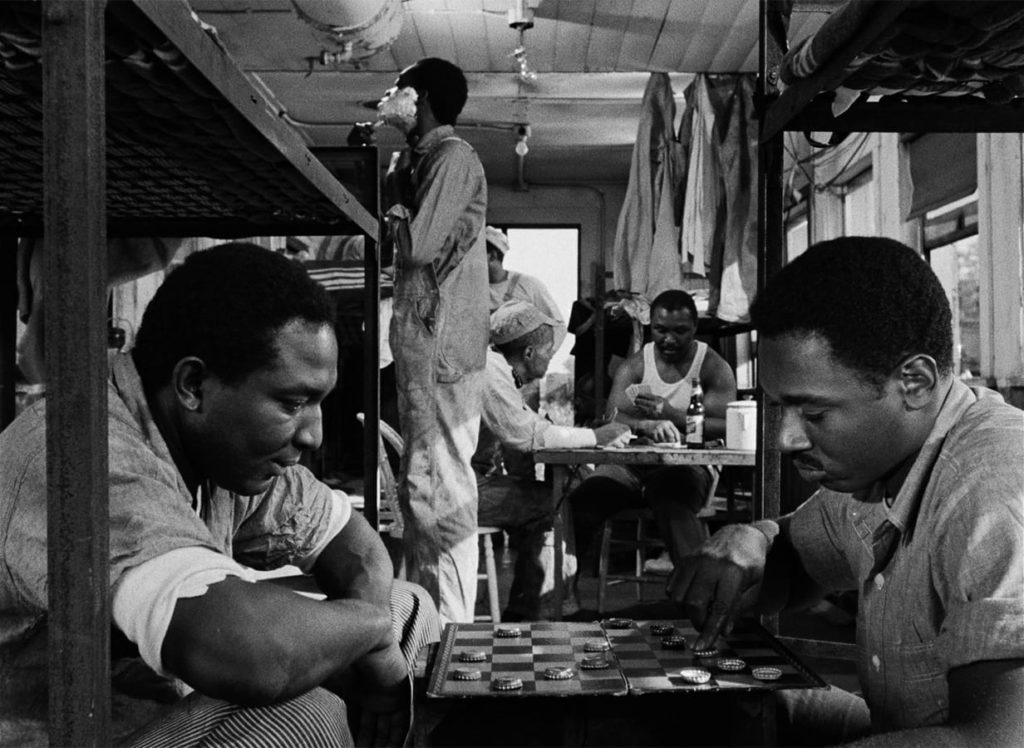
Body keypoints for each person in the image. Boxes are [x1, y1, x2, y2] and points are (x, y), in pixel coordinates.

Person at [0, 244, 439, 747]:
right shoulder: (80, 449)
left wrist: (377, 627)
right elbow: (252, 660)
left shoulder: (215, 447)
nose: (313, 434)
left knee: (406, 609)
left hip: (146, 705)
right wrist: (371, 632)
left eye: (318, 402)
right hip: (63, 735)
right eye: (292, 402)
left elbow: (354, 545)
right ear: (192, 385)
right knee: (302, 717)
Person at [669, 237, 1024, 745]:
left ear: (915, 382)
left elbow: (995, 741)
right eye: (777, 408)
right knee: (734, 708)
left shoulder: (993, 490)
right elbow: (798, 559)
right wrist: (755, 539)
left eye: (814, 414)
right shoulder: (881, 469)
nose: (787, 439)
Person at [376, 57, 490, 624]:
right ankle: (430, 630)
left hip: (445, 348)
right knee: (421, 488)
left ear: (417, 96)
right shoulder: (416, 159)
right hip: (424, 344)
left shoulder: (453, 157)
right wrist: (394, 177)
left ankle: (453, 634)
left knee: (443, 489)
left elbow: (416, 246)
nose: (389, 96)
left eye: (398, 89)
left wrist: (396, 206)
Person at [475, 300, 632, 620]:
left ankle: (540, 604)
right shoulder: (490, 371)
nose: (552, 357)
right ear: (529, 353)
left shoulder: (499, 372)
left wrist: (583, 435)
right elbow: (527, 434)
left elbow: (528, 432)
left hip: (470, 482)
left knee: (550, 495)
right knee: (553, 502)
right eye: (548, 350)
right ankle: (542, 610)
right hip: (464, 489)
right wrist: (596, 437)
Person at [568, 289, 737, 574]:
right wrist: (644, 424)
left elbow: (728, 426)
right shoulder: (636, 364)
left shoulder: (712, 366)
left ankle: (701, 598)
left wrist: (670, 414)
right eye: (660, 330)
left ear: (695, 328)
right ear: (650, 327)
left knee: (671, 500)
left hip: (689, 466)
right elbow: (612, 416)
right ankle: (564, 600)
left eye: (680, 331)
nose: (669, 339)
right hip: (633, 464)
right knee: (580, 502)